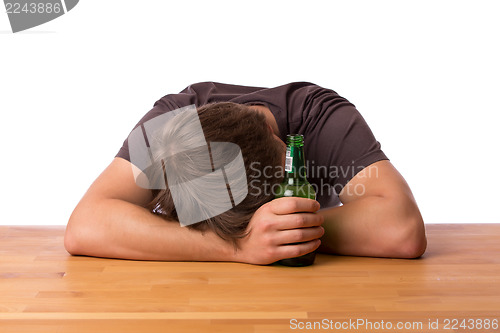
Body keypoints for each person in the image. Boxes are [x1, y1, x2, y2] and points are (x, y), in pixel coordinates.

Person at [64, 82, 427, 264]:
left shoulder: (322, 117)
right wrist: (239, 245)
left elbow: (402, 230)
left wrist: (283, 230)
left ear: (279, 139)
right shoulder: (169, 125)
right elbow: (85, 226)